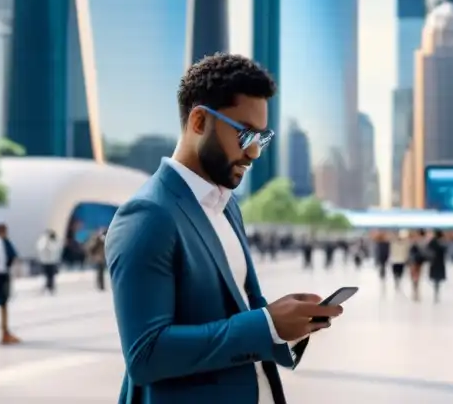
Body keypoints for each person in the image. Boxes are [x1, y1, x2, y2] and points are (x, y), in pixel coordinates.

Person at [106, 53, 342, 403]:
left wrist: (286, 328)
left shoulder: (228, 206)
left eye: (261, 138)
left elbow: (243, 312)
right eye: (245, 134)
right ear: (199, 121)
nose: (254, 153)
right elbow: (146, 355)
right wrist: (266, 325)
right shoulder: (147, 215)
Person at [36, 229, 62, 295]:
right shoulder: (45, 241)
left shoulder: (52, 241)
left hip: (51, 261)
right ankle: (49, 287)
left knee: (51, 276)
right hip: (47, 261)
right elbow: (51, 249)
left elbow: (56, 250)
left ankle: (50, 287)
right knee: (49, 275)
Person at [427, 230, 447, 303]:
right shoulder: (442, 242)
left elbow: (428, 250)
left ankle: (436, 291)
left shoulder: (433, 242)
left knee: (436, 279)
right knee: (437, 279)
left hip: (434, 262)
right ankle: (437, 291)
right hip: (439, 262)